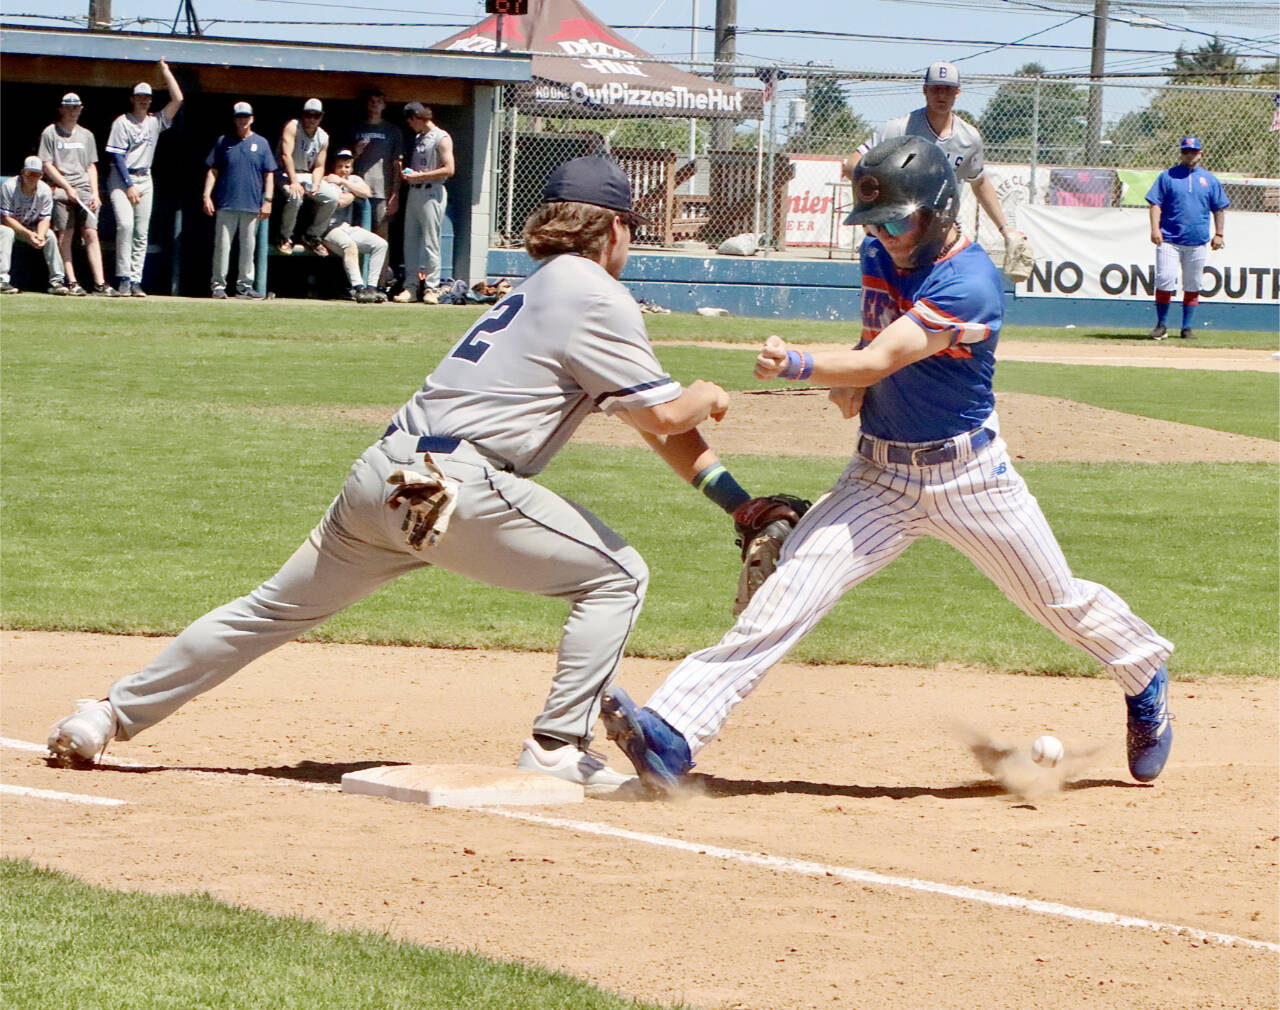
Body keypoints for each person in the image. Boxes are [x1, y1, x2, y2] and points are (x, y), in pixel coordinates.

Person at [47, 155, 769, 794]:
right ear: (613, 228)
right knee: (617, 576)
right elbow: (669, 417)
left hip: (384, 476)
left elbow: (651, 424)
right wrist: (707, 393)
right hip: (451, 485)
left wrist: (737, 504)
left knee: (267, 610)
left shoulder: (538, 287)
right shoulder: (595, 291)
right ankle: (557, 746)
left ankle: (105, 714)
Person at [601, 136, 1175, 795]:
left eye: (900, 220)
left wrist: (803, 365)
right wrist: (852, 383)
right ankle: (673, 733)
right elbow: (873, 347)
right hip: (880, 477)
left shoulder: (972, 282)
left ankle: (1143, 669)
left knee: (1054, 601)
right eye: (877, 223)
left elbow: (884, 358)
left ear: (939, 209)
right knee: (789, 591)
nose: (889, 235)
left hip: (969, 478)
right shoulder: (880, 253)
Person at [844, 62, 1018, 253]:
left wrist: (1005, 229)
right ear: (925, 90)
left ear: (957, 92)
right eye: (935, 89)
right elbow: (853, 166)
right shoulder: (900, 129)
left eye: (948, 89)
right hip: (900, 229)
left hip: (944, 231)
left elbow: (979, 182)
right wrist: (879, 207)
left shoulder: (969, 137)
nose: (941, 95)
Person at [105, 59, 184, 297]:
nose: (143, 99)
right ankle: (124, 279)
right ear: (132, 98)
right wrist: (128, 186)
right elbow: (117, 157)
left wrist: (166, 72)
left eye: (147, 97)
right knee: (126, 226)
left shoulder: (153, 122)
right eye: (139, 96)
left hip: (145, 178)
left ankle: (136, 279)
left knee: (142, 231)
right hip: (122, 178)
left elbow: (178, 99)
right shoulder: (122, 121)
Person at [1144, 136, 1229, 341]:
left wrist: (1219, 234)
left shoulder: (1209, 179)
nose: (1189, 155)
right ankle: (1161, 324)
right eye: (1186, 151)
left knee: (1193, 283)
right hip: (1169, 239)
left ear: (1200, 154)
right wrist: (1155, 228)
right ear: (1181, 153)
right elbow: (1155, 203)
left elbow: (1219, 208)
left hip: (1197, 240)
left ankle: (1186, 327)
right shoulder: (1168, 176)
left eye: (1193, 151)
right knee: (1165, 278)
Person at [38, 92, 118, 297]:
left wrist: (95, 193)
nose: (73, 111)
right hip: (60, 191)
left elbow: (91, 165)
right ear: (61, 109)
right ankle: (71, 281)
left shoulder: (87, 135)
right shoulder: (50, 133)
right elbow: (46, 164)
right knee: (66, 235)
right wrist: (66, 187)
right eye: (69, 107)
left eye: (77, 108)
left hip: (84, 191)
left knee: (91, 233)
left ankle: (100, 284)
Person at [203, 101, 276, 299]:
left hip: (252, 205)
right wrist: (206, 195)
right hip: (226, 203)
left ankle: (245, 286)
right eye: (239, 117)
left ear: (252, 119)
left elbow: (269, 174)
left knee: (248, 248)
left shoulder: (262, 143)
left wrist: (268, 200)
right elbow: (213, 170)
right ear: (234, 119)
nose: (242, 120)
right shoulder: (223, 141)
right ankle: (218, 286)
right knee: (222, 247)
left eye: (246, 116)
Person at [393, 102, 453, 303]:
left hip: (431, 192)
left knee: (430, 243)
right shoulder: (419, 138)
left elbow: (449, 169)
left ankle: (431, 288)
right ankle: (410, 288)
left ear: (416, 118)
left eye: (411, 122)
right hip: (414, 191)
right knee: (410, 242)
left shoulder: (441, 137)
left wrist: (423, 176)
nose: (410, 126)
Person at [320, 149, 389, 303]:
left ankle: (371, 288)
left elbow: (367, 192)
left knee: (381, 244)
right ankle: (358, 288)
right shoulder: (327, 180)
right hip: (327, 229)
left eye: (347, 166)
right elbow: (340, 202)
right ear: (334, 167)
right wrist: (352, 193)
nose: (343, 170)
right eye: (340, 166)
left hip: (346, 227)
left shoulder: (353, 179)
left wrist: (345, 183)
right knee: (349, 246)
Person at [276, 98, 338, 255]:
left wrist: (316, 184)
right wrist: (294, 181)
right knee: (295, 196)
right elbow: (286, 155)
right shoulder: (293, 126)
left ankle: (312, 235)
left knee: (332, 198)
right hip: (284, 171)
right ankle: (285, 237)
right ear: (303, 115)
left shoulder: (323, 136)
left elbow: (319, 166)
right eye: (308, 115)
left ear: (321, 117)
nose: (311, 119)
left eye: (315, 116)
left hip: (306, 174)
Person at [0, 155, 67, 294]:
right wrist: (29, 234)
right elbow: (6, 218)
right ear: (23, 172)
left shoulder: (45, 191)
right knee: (7, 232)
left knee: (49, 235)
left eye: (36, 174)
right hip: (8, 227)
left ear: (41, 176)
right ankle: (2, 280)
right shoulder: (9, 186)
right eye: (29, 173)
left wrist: (40, 235)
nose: (31, 177)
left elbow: (45, 218)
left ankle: (57, 281)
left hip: (30, 227)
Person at [351, 88, 403, 244]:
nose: (375, 105)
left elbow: (397, 165)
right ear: (366, 104)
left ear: (384, 106)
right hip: (356, 189)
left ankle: (381, 269)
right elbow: (343, 161)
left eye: (379, 102)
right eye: (372, 102)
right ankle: (359, 268)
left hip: (382, 191)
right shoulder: (356, 128)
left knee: (381, 236)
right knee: (357, 233)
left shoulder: (393, 131)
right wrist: (356, 152)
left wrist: (395, 194)